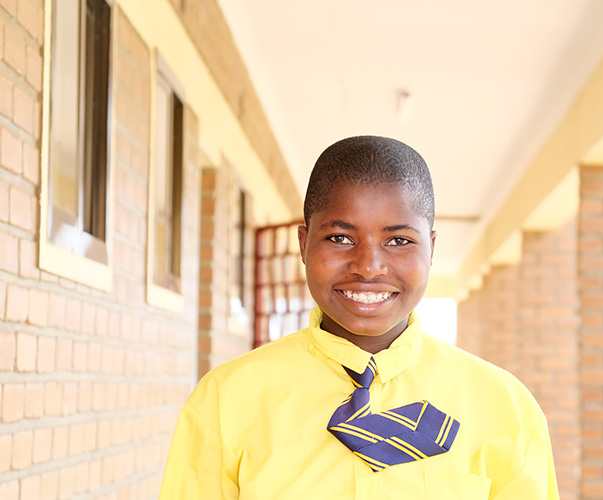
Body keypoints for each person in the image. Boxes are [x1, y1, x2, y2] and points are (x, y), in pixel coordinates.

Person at [158, 135, 559, 499]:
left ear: (431, 249)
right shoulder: (227, 401)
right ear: (303, 243)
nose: (368, 266)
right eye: (340, 238)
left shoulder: (505, 408)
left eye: (399, 240)